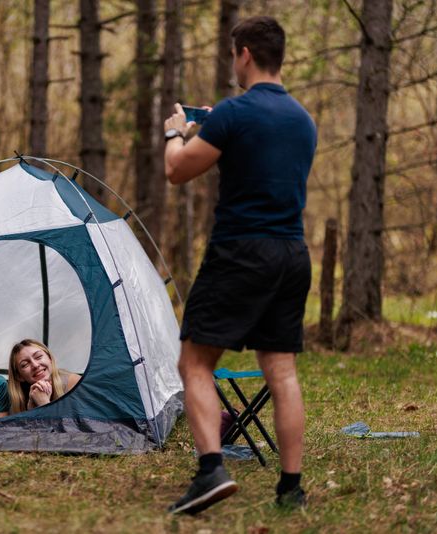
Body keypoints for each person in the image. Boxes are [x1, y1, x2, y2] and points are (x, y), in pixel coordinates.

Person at [162, 16, 317, 514]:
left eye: (234, 54)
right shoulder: (302, 119)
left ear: (245, 54)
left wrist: (176, 132)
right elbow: (262, 157)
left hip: (240, 252)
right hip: (292, 254)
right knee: (282, 371)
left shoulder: (234, 113)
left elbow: (177, 171)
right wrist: (217, 125)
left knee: (194, 362)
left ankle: (210, 470)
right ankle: (290, 488)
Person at [7, 339, 80, 413]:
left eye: (38, 357)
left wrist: (44, 404)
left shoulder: (74, 383)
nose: (35, 365)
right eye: (25, 364)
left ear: (50, 358)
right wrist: (31, 412)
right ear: (19, 376)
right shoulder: (17, 402)